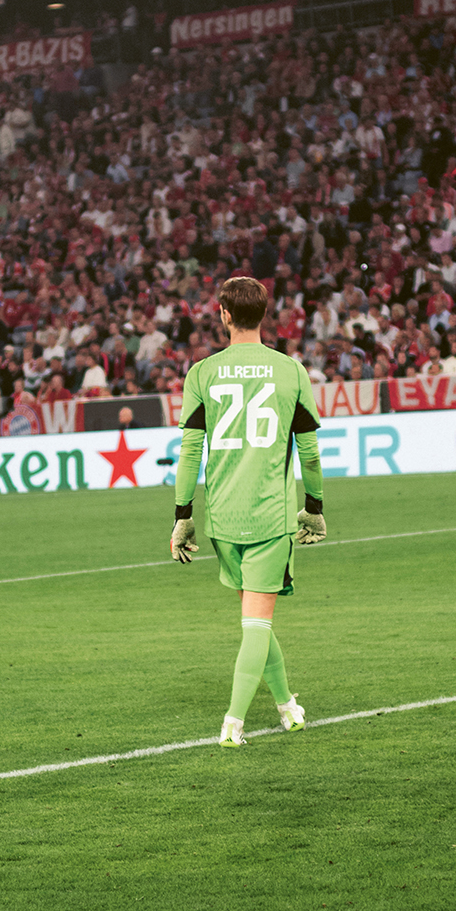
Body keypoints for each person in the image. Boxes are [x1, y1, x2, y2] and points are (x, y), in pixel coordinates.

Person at [170, 276, 328, 749]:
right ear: (264, 315)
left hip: (222, 517)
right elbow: (311, 453)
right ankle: (233, 724)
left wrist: (183, 515)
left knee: (254, 617)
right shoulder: (291, 371)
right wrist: (314, 508)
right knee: (257, 622)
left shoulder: (202, 373)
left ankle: (286, 707)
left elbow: (190, 453)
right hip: (269, 516)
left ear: (223, 314)